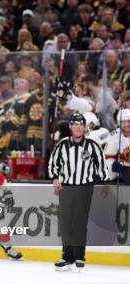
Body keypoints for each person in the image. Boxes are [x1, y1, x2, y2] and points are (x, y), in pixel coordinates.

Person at [48, 113, 108, 271]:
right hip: (66, 187)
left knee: (80, 222)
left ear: (85, 126)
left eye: (81, 124)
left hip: (85, 187)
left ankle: (80, 257)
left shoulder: (92, 145)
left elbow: (101, 166)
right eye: (75, 124)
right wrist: (55, 178)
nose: (78, 126)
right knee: (66, 222)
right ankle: (67, 257)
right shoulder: (62, 145)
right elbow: (53, 164)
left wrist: (103, 181)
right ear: (70, 126)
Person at [103, 109, 130, 183]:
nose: (127, 124)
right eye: (123, 122)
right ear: (118, 123)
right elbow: (108, 158)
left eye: (129, 121)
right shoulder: (113, 136)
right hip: (125, 168)